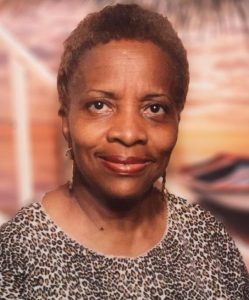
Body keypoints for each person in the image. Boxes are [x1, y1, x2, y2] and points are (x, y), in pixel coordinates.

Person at [0, 3, 248, 299]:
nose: (129, 133)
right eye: (100, 105)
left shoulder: (208, 240)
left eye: (154, 108)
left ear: (176, 121)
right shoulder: (18, 254)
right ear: (66, 120)